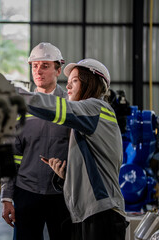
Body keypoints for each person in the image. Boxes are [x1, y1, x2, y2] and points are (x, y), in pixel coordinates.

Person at [19, 58, 128, 240]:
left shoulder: (97, 108)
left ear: (90, 82)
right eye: (68, 83)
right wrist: (66, 175)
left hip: (102, 215)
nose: (68, 88)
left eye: (74, 81)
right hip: (85, 215)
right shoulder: (85, 121)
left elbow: (53, 107)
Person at [1, 42, 71, 240]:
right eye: (34, 66)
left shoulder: (71, 107)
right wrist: (6, 197)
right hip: (27, 192)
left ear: (58, 70)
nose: (38, 71)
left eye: (45, 66)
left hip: (62, 194)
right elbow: (11, 154)